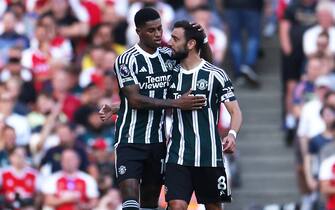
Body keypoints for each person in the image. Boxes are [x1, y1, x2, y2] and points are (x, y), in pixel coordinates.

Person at [99, 7, 211, 210]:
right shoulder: (126, 60)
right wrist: (176, 103)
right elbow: (134, 100)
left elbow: (204, 66)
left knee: (149, 204)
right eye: (151, 30)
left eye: (160, 28)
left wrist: (201, 39)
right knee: (131, 203)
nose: (158, 34)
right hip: (130, 141)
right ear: (138, 32)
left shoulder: (168, 56)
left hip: (158, 143)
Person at [165, 20, 242, 210]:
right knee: (176, 205)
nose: (169, 42)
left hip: (210, 156)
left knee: (214, 207)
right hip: (177, 155)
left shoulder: (216, 75)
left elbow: (235, 110)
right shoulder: (169, 74)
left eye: (175, 38)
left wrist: (232, 134)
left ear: (191, 44)